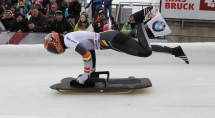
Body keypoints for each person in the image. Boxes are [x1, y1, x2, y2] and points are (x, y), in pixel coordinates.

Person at [43, 9, 189, 85]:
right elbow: (91, 52)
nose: (53, 51)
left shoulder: (68, 40)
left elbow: (86, 54)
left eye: (52, 49)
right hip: (109, 38)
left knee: (145, 52)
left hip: (110, 40)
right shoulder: (69, 37)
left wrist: (86, 75)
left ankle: (138, 20)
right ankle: (175, 51)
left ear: (56, 43)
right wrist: (91, 71)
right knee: (145, 48)